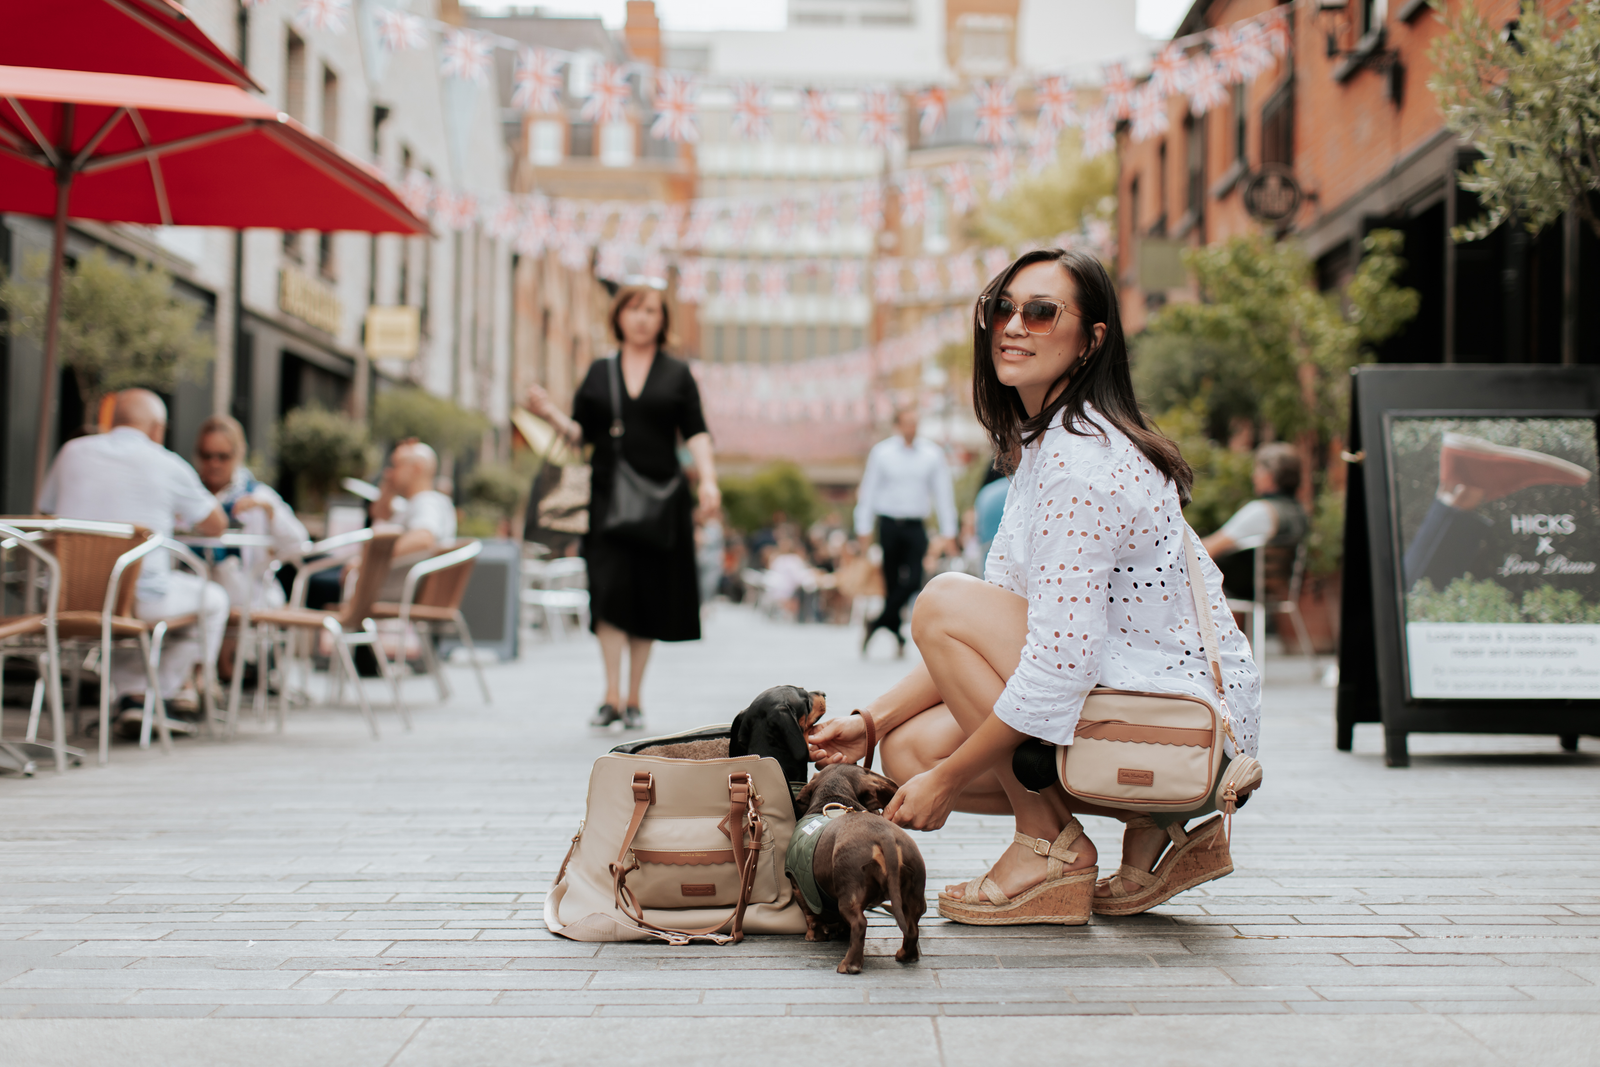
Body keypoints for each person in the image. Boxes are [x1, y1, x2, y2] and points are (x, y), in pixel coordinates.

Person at [808, 249, 1261, 925]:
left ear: (1092, 340)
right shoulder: (1049, 445)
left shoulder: (1080, 462)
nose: (1013, 325)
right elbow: (988, 646)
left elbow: (1058, 660)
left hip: (1175, 725)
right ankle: (1154, 829)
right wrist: (872, 722)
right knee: (905, 750)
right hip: (1151, 709)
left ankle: (1049, 847)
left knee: (939, 603)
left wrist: (952, 779)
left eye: (1042, 312)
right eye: (1002, 308)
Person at [523, 284, 720, 730]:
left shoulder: (677, 373)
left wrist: (708, 479)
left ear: (662, 320)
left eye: (651, 310)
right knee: (609, 594)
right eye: (633, 308)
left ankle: (634, 697)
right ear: (619, 316)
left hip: (661, 502)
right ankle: (610, 693)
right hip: (607, 500)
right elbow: (580, 434)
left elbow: (697, 431)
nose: (642, 317)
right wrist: (550, 413)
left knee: (648, 596)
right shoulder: (599, 372)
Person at [38, 389, 231, 732]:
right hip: (140, 597)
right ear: (157, 427)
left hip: (67, 597)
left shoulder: (71, 452)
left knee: (127, 614)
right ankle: (153, 695)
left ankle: (132, 697)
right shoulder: (167, 463)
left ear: (113, 420)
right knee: (214, 601)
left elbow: (46, 515)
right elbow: (216, 525)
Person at [854, 405, 957, 656]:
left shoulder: (932, 454)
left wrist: (949, 531)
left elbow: (943, 494)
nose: (912, 427)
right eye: (907, 422)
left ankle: (877, 623)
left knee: (914, 581)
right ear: (897, 425)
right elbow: (868, 491)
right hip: (888, 524)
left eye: (915, 422)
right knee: (890, 585)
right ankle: (895, 633)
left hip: (915, 526)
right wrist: (863, 528)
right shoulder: (882, 453)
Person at [193, 414, 308, 610]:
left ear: (238, 454)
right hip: (198, 602)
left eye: (223, 456)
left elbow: (300, 545)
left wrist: (269, 511)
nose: (214, 463)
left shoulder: (258, 495)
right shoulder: (190, 495)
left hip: (250, 602)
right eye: (207, 455)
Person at [1201, 442, 1309, 603]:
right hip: (1278, 589)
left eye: (1258, 469)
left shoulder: (1262, 511)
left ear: (1271, 475)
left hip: (1241, 588)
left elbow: (1208, 549)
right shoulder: (1299, 513)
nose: (1254, 476)